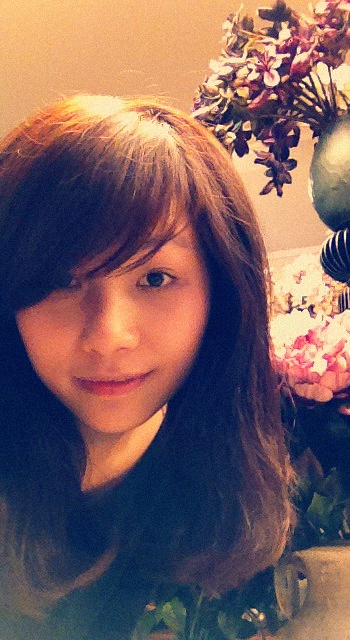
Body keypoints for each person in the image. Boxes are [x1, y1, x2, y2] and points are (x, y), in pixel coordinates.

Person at [0, 94, 295, 640]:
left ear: (221, 295)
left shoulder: (294, 498)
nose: (109, 336)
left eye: (155, 279)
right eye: (63, 281)